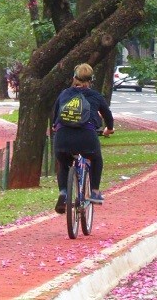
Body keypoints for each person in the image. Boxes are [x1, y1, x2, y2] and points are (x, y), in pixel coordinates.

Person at [51, 63, 114, 212]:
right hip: (87, 138)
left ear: (74, 78)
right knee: (96, 159)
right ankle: (95, 192)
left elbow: (55, 115)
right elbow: (108, 116)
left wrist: (55, 126)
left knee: (63, 163)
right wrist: (109, 129)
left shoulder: (64, 94)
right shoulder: (95, 96)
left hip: (63, 137)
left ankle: (63, 193)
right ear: (91, 80)